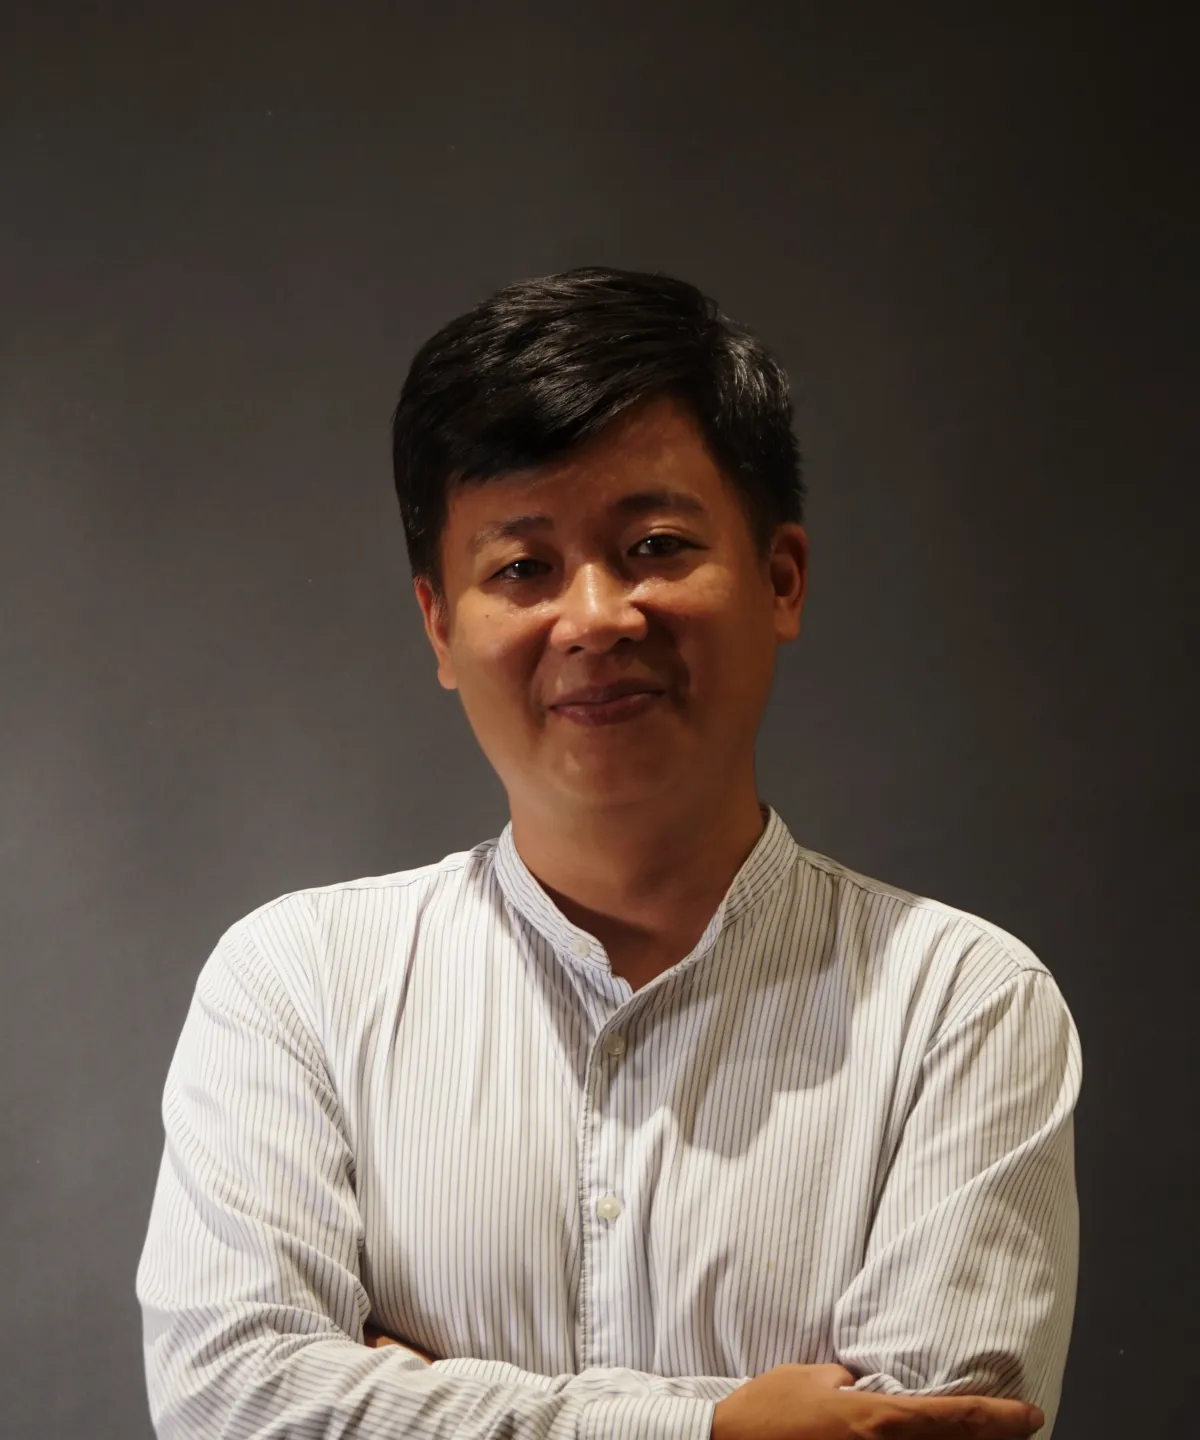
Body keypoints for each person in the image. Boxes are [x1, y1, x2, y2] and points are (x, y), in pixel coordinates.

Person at [136, 267, 1080, 1440]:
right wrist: (724, 1428)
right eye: (522, 568)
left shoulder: (964, 1005)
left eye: (654, 544)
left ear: (781, 578)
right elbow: (229, 1402)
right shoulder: (296, 986)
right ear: (440, 624)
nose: (594, 617)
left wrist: (405, 1397)